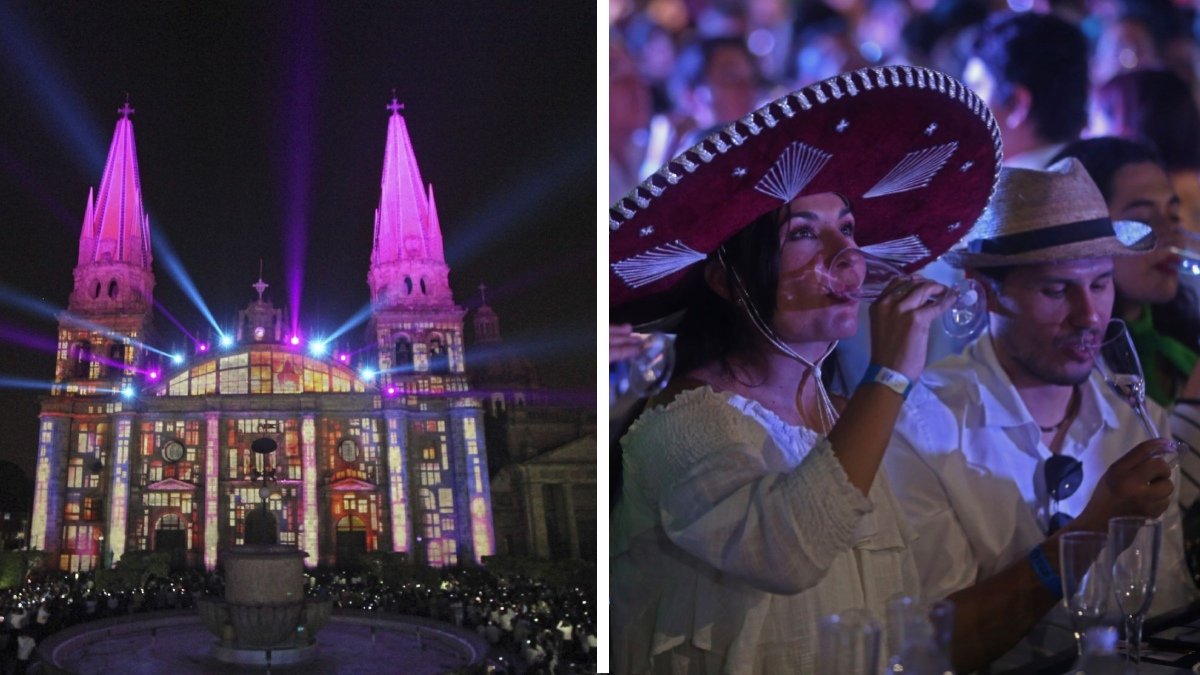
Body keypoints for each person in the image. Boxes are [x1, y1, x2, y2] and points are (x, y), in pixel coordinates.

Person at [611, 66, 1002, 673]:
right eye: (802, 234)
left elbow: (906, 610)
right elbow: (788, 551)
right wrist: (891, 373)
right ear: (726, 280)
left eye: (847, 230)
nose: (845, 256)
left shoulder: (850, 419)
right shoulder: (679, 424)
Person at [884, 158, 1190, 670]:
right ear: (984, 291)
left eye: (1100, 283)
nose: (1090, 316)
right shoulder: (920, 427)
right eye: (1056, 290)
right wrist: (1094, 527)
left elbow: (1163, 612)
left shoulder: (1137, 421)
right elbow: (931, 647)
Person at [1051, 137, 1200, 507]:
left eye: (1173, 215)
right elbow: (1159, 506)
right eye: (1144, 220)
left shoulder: (1175, 336)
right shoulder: (1071, 354)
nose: (1171, 235)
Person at [962, 12, 1089, 170]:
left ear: (1016, 105)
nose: (962, 106)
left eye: (975, 88)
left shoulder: (1006, 192)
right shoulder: (1102, 177)